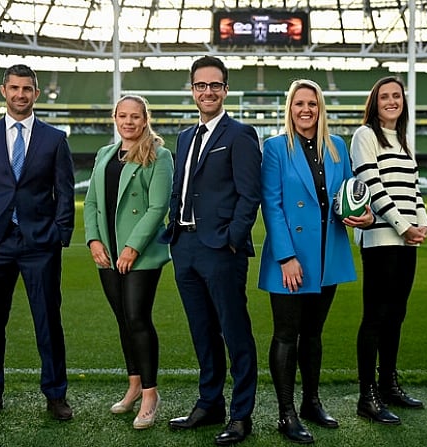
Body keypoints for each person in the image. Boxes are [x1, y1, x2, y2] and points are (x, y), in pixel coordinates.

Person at [258, 79, 372, 444]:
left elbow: (351, 193)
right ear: (289, 109)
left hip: (327, 253)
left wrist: (364, 215)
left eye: (312, 104)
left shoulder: (337, 146)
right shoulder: (275, 147)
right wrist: (286, 256)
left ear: (320, 108)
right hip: (291, 257)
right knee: (286, 335)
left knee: (314, 333)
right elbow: (272, 205)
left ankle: (311, 402)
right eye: (298, 104)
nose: (305, 110)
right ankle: (286, 413)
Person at [0, 64, 75, 423]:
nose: (20, 95)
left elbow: (65, 192)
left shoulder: (55, 138)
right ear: (3, 91)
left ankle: (56, 394)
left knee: (48, 321)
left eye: (27, 89)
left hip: (39, 243)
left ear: (36, 94)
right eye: (14, 88)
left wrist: (59, 234)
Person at [161, 55, 262, 446]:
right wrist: (174, 229)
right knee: (202, 331)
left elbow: (249, 193)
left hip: (221, 249)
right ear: (192, 90)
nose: (207, 92)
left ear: (225, 90)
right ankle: (209, 403)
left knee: (234, 332)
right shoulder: (186, 136)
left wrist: (233, 238)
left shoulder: (240, 134)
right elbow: (180, 189)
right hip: (184, 246)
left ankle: (241, 414)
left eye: (215, 85)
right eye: (201, 85)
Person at [83, 95, 173, 429]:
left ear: (145, 119)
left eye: (135, 116)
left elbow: (157, 207)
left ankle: (150, 394)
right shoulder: (105, 154)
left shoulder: (158, 155)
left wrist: (132, 247)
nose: (128, 122)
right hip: (107, 252)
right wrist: (93, 240)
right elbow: (91, 201)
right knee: (123, 319)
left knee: (137, 319)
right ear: (115, 118)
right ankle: (134, 386)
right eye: (122, 116)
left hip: (140, 255)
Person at [350, 76, 427, 425]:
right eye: (385, 96)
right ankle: (367, 395)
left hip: (407, 240)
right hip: (382, 239)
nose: (391, 101)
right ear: (375, 102)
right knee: (375, 317)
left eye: (397, 95)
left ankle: (388, 384)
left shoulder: (404, 139)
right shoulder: (365, 136)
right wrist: (403, 225)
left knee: (396, 314)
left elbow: (414, 189)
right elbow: (373, 186)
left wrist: (423, 222)